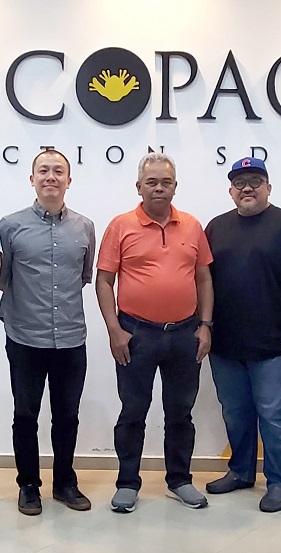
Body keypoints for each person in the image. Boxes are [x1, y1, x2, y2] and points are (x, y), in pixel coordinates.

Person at [96, 152, 214, 513]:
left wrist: (205, 326)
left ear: (175, 187)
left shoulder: (192, 226)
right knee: (133, 411)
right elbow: (103, 280)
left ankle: (180, 480)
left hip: (184, 334)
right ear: (139, 187)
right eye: (152, 182)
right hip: (136, 333)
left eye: (166, 182)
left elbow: (204, 277)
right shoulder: (120, 226)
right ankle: (127, 483)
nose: (159, 188)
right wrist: (115, 330)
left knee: (181, 412)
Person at [204, 157, 281, 513]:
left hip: (274, 347)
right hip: (225, 345)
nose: (247, 188)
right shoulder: (215, 227)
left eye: (255, 180)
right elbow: (203, 281)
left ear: (268, 186)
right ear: (231, 191)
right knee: (235, 413)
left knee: (275, 415)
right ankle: (240, 471)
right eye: (240, 183)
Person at [0, 149, 96, 515]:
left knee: (67, 415)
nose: (50, 177)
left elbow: (84, 276)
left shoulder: (84, 227)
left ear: (69, 180)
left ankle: (65, 483)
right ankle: (28, 485)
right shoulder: (10, 225)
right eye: (43, 171)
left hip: (70, 337)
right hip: (25, 337)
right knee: (25, 414)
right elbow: (1, 277)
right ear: (32, 178)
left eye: (58, 171)